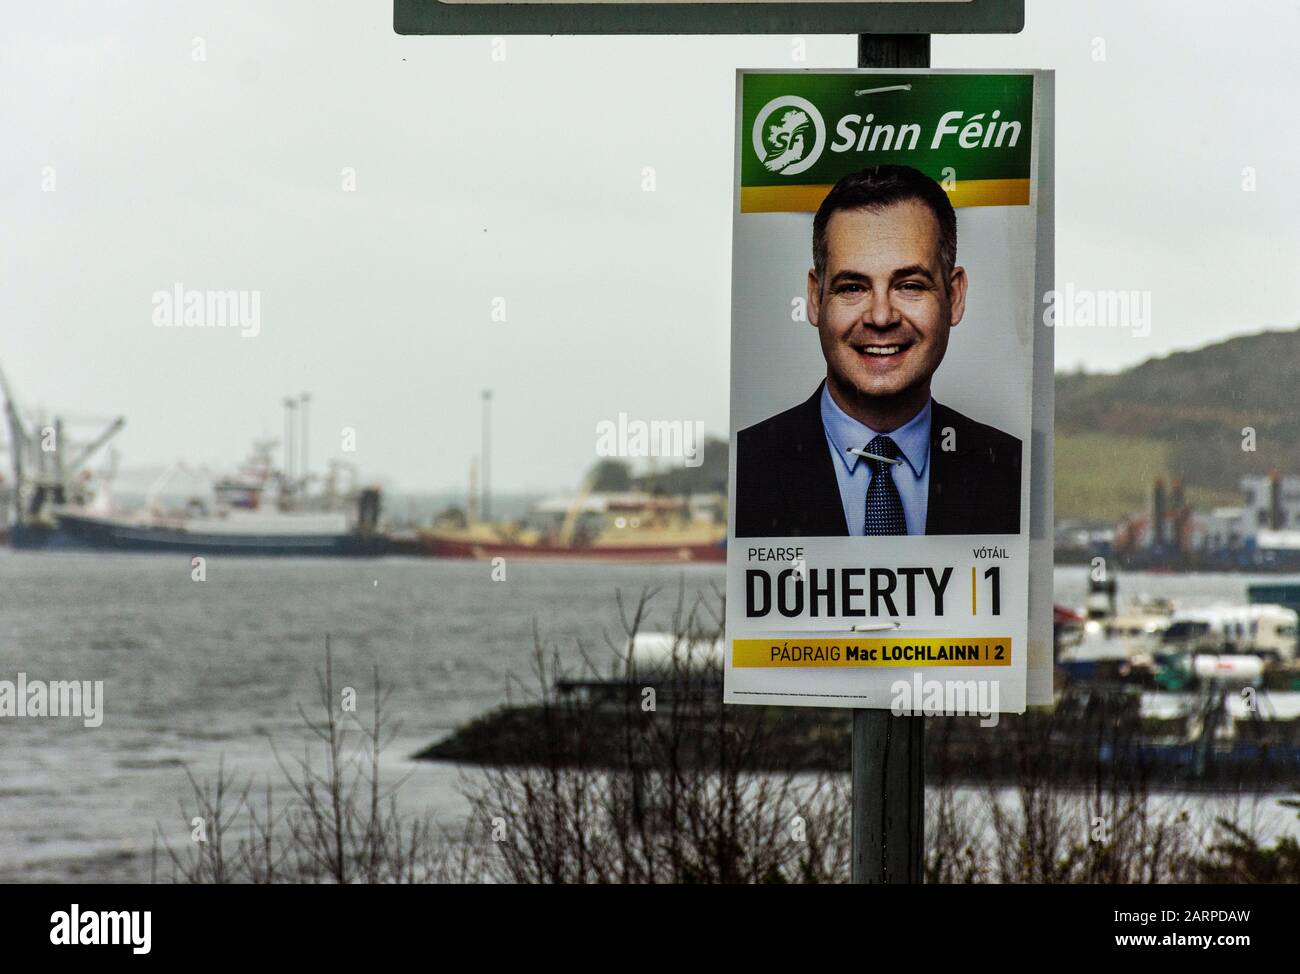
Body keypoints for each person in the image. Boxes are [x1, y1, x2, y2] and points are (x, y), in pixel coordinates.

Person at [735, 164, 1021, 538]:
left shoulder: (1013, 474)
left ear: (955, 296)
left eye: (910, 285)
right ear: (814, 298)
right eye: (853, 287)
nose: (881, 317)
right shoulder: (745, 471)